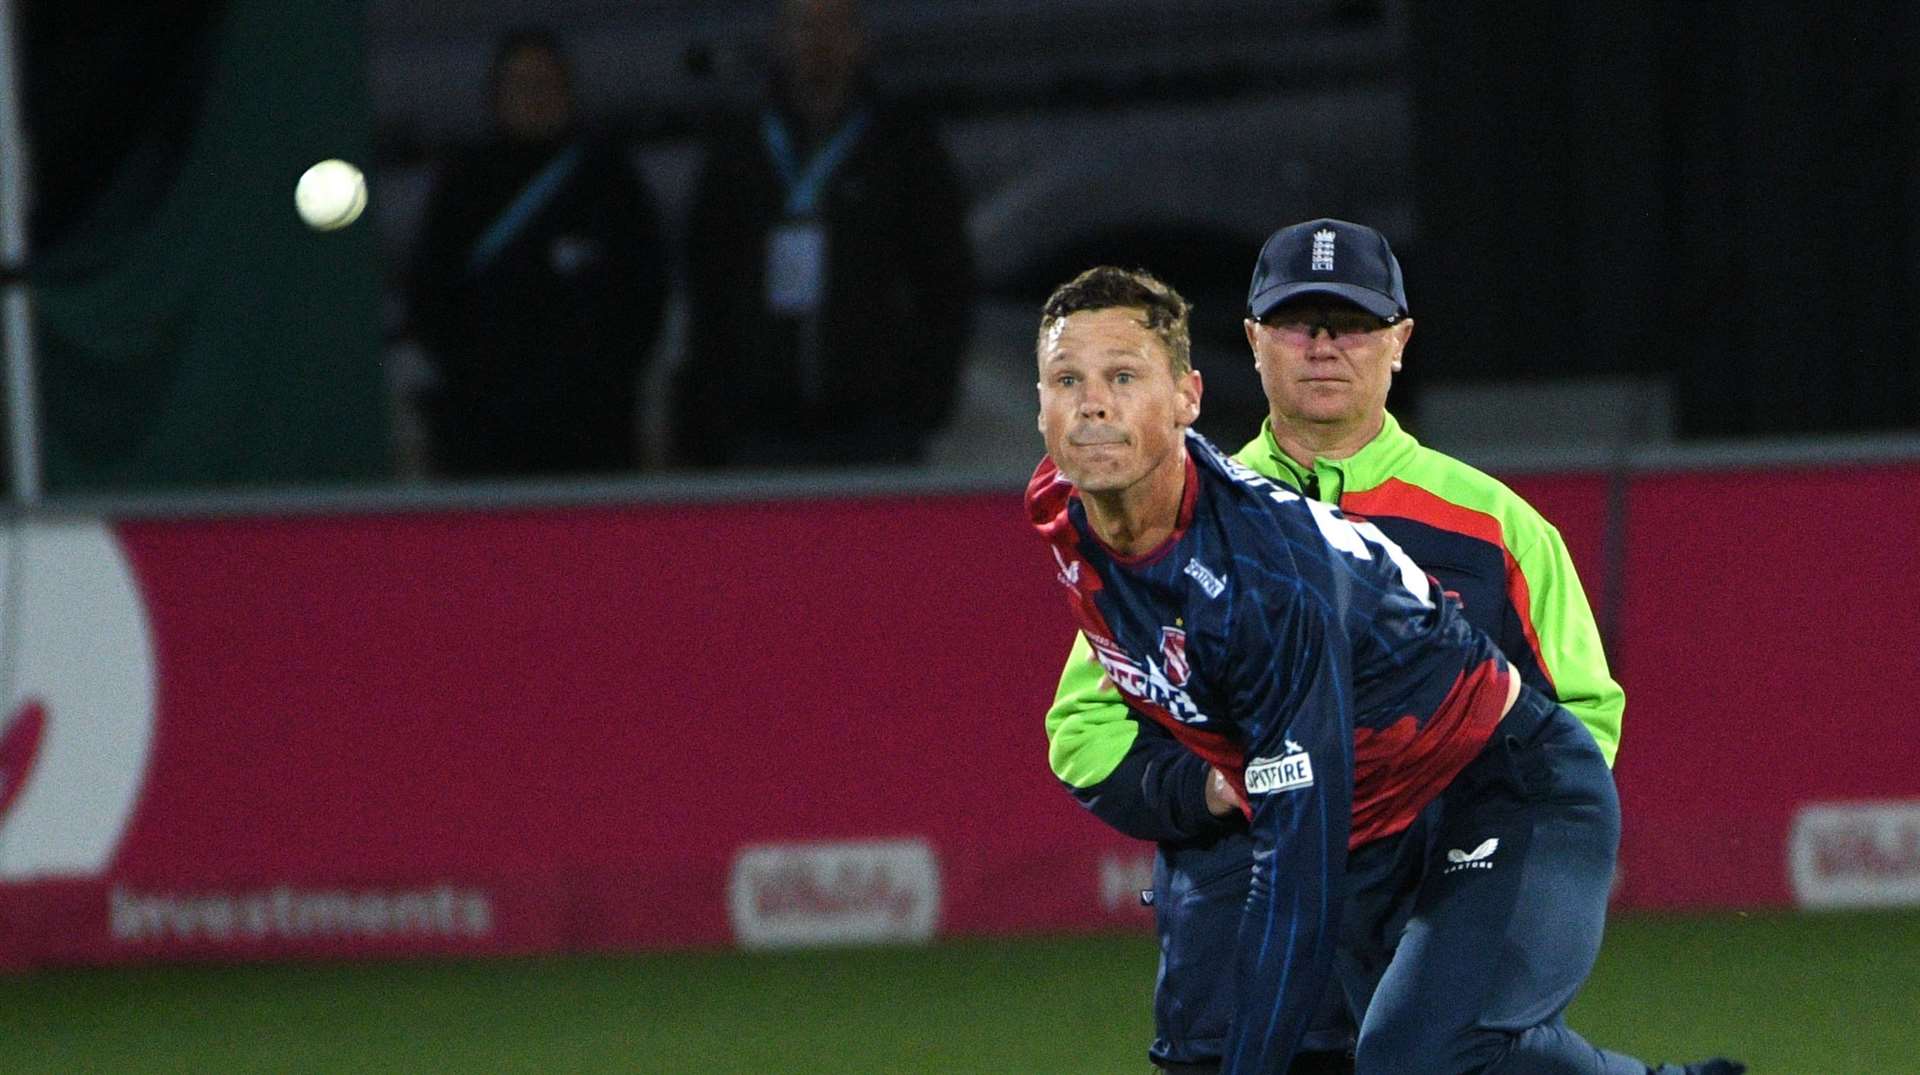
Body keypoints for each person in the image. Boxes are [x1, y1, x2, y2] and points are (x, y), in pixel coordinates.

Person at [1025, 265, 1742, 1075]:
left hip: (1502, 781)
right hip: (1363, 826)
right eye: (1067, 379)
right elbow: (1100, 724)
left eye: (1123, 377)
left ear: (1188, 399)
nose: (1092, 404)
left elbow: (1297, 872)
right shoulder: (1068, 504)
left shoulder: (1266, 581)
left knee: (1415, 1059)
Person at [670, 0, 974, 467]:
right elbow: (707, 282)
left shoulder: (902, 146)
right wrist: (713, 401)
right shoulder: (739, 148)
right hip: (759, 419)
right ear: (778, 39)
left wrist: (925, 397)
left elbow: (946, 279)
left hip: (876, 420)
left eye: (833, 26)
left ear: (860, 41)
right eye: (805, 27)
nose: (819, 43)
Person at [408, 28, 670, 478]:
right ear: (496, 95)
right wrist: (476, 384)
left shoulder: (609, 181)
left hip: (593, 434)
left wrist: (604, 382)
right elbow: (431, 294)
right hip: (486, 435)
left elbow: (644, 292)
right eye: (521, 85)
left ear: (567, 92)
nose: (534, 97)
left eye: (545, 84)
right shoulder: (464, 184)